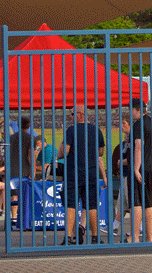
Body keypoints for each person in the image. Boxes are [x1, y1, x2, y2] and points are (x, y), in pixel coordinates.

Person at [60, 105, 106, 245]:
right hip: (91, 173)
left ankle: (68, 237)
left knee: (71, 205)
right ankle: (95, 237)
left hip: (74, 173)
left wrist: (59, 155)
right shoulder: (96, 130)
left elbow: (66, 151)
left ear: (80, 115)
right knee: (92, 206)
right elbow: (101, 152)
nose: (71, 116)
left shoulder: (71, 130)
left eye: (73, 114)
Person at [128, 99, 152, 242]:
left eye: (132, 110)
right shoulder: (150, 121)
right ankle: (150, 237)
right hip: (151, 165)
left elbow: (138, 146)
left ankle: (135, 237)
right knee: (149, 202)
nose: (131, 113)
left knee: (137, 202)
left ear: (137, 109)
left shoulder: (138, 124)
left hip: (141, 166)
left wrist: (136, 168)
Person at [6, 117, 37, 222]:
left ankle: (14, 217)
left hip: (12, 169)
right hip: (25, 169)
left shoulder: (11, 138)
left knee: (14, 194)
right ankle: (24, 218)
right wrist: (33, 170)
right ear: (29, 126)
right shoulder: (30, 138)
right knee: (25, 195)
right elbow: (31, 155)